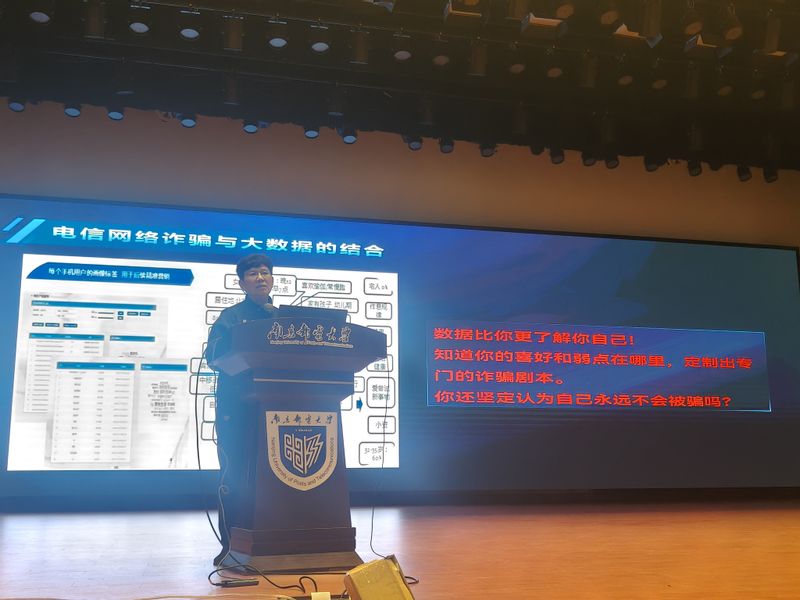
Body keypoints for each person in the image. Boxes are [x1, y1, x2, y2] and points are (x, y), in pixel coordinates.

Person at [205, 253, 277, 566]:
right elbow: (214, 358)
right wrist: (250, 370)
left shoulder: (282, 318)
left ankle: (272, 543)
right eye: (253, 274)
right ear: (241, 283)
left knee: (271, 478)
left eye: (265, 272)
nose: (260, 278)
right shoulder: (230, 317)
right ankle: (232, 547)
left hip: (274, 410)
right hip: (237, 409)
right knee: (235, 476)